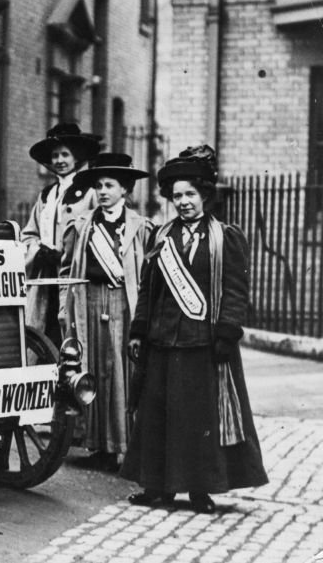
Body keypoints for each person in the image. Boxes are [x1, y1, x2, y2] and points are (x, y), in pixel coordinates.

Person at [120, 145, 268, 513]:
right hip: (163, 340)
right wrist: (139, 331)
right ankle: (158, 487)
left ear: (204, 195)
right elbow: (147, 290)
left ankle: (200, 489)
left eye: (190, 194)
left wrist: (227, 333)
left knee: (199, 421)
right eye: (177, 195)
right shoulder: (161, 237)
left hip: (202, 344)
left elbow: (236, 290)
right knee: (158, 417)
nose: (183, 201)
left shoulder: (224, 237)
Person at [60, 153, 153, 472]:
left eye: (110, 185)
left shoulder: (141, 227)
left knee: (122, 372)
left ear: (125, 189)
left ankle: (125, 445)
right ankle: (99, 445)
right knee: (94, 368)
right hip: (90, 301)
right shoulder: (82, 224)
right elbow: (67, 268)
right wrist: (65, 307)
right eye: (98, 185)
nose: (102, 191)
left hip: (124, 303)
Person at [21, 122, 100, 345]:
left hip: (73, 276)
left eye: (65, 154)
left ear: (76, 158)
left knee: (71, 332)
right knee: (44, 331)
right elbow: (29, 234)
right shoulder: (47, 195)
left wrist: (66, 255)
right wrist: (38, 250)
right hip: (45, 276)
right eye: (55, 155)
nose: (60, 160)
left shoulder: (89, 193)